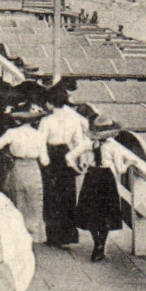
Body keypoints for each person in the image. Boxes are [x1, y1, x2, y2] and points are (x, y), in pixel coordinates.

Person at [0, 107, 48, 242]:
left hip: (17, 167)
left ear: (17, 120)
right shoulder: (39, 135)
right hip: (33, 168)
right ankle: (33, 234)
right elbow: (45, 160)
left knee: (17, 200)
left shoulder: (12, 133)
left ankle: (17, 233)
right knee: (34, 201)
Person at [37, 86, 88, 247]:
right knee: (67, 195)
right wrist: (79, 159)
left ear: (51, 103)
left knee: (51, 195)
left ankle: (53, 235)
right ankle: (67, 235)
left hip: (52, 156)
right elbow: (78, 142)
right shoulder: (74, 120)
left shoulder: (46, 121)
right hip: (67, 156)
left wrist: (44, 162)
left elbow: (41, 143)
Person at [72, 118, 128, 261]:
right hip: (107, 179)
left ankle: (96, 242)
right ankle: (101, 244)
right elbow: (121, 170)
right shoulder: (114, 147)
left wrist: (78, 169)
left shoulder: (89, 143)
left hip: (91, 177)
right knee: (105, 212)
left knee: (91, 211)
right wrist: (128, 163)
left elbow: (70, 156)